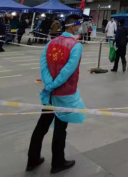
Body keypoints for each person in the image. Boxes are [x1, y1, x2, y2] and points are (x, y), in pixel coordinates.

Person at [26, 15, 86, 174]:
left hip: (50, 94)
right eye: (78, 25)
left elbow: (44, 66)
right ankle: (58, 162)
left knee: (41, 126)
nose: (79, 28)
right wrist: (54, 85)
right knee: (60, 128)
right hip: (64, 94)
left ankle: (32, 159)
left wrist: (49, 85)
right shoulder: (76, 45)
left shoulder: (51, 43)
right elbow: (68, 71)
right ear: (72, 26)